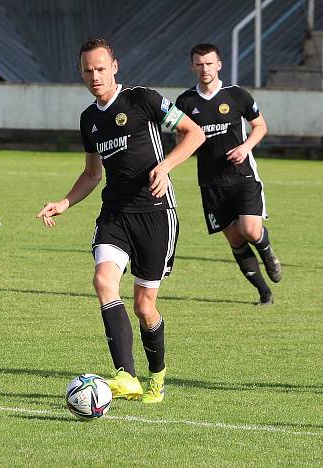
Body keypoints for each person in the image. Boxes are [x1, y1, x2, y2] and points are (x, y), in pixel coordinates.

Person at [36, 39, 205, 403]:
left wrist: (166, 166)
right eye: (87, 70)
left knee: (145, 307)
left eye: (100, 68)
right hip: (115, 213)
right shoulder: (88, 119)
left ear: (115, 67)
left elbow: (195, 132)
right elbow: (92, 174)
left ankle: (156, 379)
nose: (94, 76)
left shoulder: (143, 99)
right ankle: (125, 375)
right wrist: (65, 202)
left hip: (156, 214)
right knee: (103, 281)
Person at [175, 43, 282, 306]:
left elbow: (260, 126)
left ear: (219, 65)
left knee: (249, 229)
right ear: (192, 67)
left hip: (242, 176)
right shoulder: (185, 102)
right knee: (234, 238)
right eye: (199, 64)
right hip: (211, 183)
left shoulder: (236, 95)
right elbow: (182, 139)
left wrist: (245, 147)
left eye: (209, 63)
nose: (204, 69)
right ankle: (264, 293)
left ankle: (267, 252)